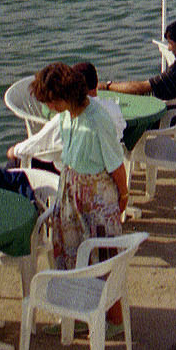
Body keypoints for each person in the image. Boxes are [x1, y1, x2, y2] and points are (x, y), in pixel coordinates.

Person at [35, 63, 129, 326]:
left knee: (104, 257)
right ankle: (74, 314)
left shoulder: (98, 120)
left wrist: (123, 198)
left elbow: (116, 165)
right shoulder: (66, 115)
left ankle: (115, 322)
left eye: (52, 101)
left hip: (97, 195)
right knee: (68, 253)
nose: (50, 106)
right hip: (70, 190)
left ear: (67, 95)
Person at [103, 16, 176, 101]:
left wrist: (107, 86)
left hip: (166, 116)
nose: (169, 48)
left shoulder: (175, 73)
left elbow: (140, 88)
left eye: (170, 44)